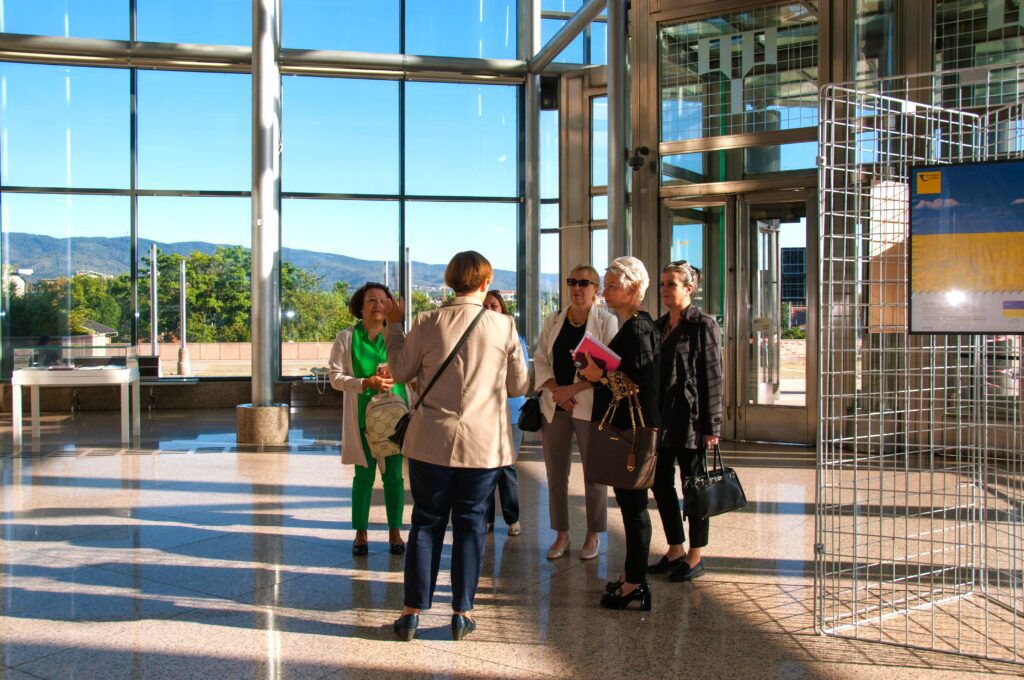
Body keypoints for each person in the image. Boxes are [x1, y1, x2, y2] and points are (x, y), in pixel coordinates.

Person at [385, 251, 529, 642]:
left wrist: (394, 328)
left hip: (430, 441)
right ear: (486, 282)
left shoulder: (427, 321)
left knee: (426, 523)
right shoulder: (504, 326)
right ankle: (462, 613)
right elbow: (519, 385)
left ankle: (411, 613)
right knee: (470, 525)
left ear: (449, 282)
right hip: (484, 445)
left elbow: (399, 371)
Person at [578, 256, 660, 611]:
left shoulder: (639, 329)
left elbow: (640, 385)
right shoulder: (635, 325)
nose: (605, 292)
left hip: (633, 430)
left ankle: (635, 584)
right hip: (630, 427)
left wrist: (599, 376)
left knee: (634, 507)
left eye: (612, 286)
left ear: (633, 288)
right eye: (606, 285)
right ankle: (632, 575)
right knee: (631, 505)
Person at [533, 264, 619, 561]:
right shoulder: (554, 319)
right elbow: (541, 359)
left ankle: (593, 534)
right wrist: (557, 390)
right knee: (555, 474)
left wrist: (572, 390)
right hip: (555, 404)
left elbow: (609, 367)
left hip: (589, 405)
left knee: (594, 473)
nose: (577, 288)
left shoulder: (606, 321)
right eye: (572, 282)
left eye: (584, 283)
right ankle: (561, 534)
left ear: (596, 289)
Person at [649, 261, 723, 582]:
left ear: (689, 289)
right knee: (660, 483)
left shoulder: (703, 324)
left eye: (671, 284)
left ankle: (695, 555)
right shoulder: (658, 325)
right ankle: (675, 548)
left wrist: (712, 426)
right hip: (662, 420)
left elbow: (713, 376)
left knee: (694, 488)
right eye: (662, 284)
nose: (665, 290)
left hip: (691, 421)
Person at [328, 283, 409, 557]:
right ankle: (361, 533)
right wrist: (365, 382)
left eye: (384, 300)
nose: (378, 305)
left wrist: (396, 375)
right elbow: (335, 377)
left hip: (396, 418)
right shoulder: (346, 338)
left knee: (394, 477)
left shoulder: (398, 337)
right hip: (362, 418)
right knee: (363, 477)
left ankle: (395, 531)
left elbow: (413, 371)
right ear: (360, 307)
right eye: (372, 300)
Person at [483, 290, 526, 537]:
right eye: (485, 305)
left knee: (507, 466)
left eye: (494, 305)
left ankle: (512, 518)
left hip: (511, 412)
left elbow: (521, 376)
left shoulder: (515, 338)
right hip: (483, 412)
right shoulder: (475, 339)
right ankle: (486, 518)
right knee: (485, 467)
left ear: (503, 310)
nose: (489, 309)